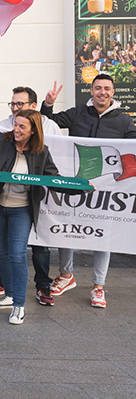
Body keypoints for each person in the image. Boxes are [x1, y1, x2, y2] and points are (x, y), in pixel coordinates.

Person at [0, 110, 87, 324]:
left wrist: (80, 188)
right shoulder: (1, 141)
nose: (16, 130)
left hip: (21, 209)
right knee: (2, 254)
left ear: (33, 130)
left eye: (22, 127)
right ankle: (10, 295)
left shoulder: (41, 151)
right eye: (16, 124)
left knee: (17, 254)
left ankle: (19, 306)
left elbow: (54, 180)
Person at [42, 75, 136, 308]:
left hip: (107, 189)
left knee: (102, 235)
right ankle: (66, 276)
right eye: (97, 88)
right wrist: (48, 104)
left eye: (106, 88)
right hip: (75, 183)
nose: (102, 92)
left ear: (113, 92)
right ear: (91, 91)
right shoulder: (76, 113)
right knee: (66, 228)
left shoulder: (124, 121)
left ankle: (98, 286)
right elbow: (48, 123)